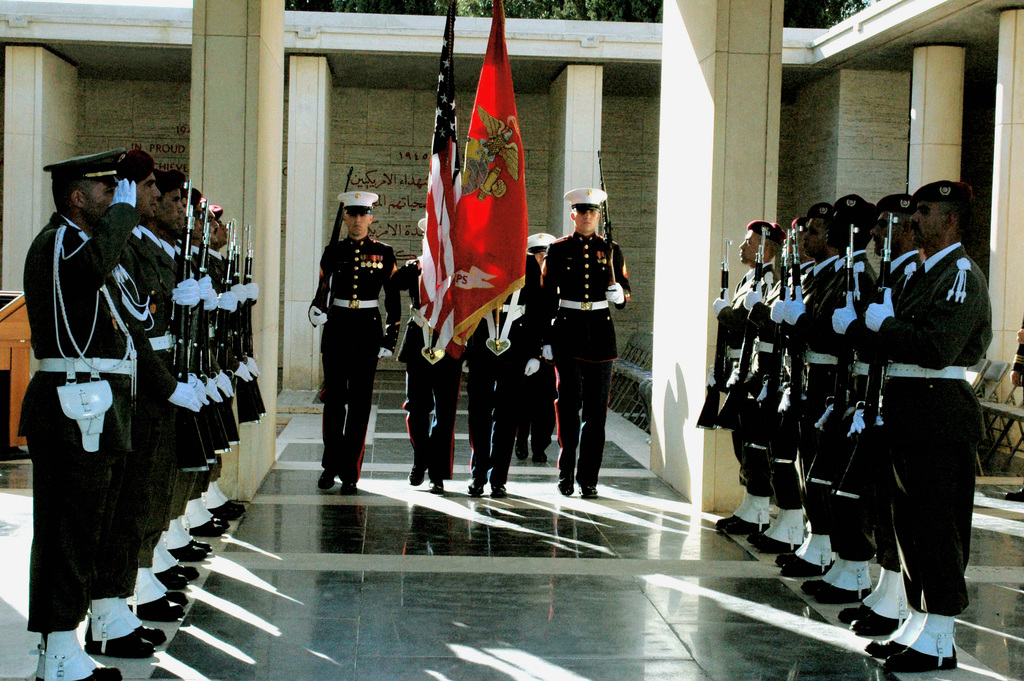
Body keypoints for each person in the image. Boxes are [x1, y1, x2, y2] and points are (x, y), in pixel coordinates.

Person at [21, 149, 202, 681]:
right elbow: (88, 276)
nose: (120, 198)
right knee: (66, 534)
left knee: (91, 527)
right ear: (77, 197)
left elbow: (129, 318)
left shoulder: (86, 244)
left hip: (96, 407)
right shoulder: (59, 243)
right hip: (71, 407)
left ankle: (73, 640)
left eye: (123, 191)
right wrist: (126, 217)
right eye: (109, 191)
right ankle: (57, 650)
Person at [849, 181, 991, 672]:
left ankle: (941, 634)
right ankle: (917, 621)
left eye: (925, 211)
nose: (914, 220)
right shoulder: (921, 274)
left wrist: (884, 327)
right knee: (907, 526)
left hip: (939, 414)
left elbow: (937, 348)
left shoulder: (961, 275)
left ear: (950, 220)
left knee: (937, 527)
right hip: (910, 412)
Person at [832, 192, 920, 635]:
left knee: (890, 504)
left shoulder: (910, 276)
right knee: (881, 500)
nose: (873, 233)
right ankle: (888, 590)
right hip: (880, 395)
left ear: (905, 228)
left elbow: (896, 343)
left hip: (899, 400)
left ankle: (896, 597)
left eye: (884, 224)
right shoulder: (896, 275)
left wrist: (859, 328)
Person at [542, 188, 631, 499]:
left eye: (593, 212)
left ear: (598, 216)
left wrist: (619, 294)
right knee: (568, 406)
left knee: (596, 414)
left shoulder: (611, 249)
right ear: (573, 215)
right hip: (567, 333)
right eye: (583, 212)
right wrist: (545, 339)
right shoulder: (557, 249)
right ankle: (566, 472)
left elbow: (625, 292)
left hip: (601, 337)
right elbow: (544, 297)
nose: (588, 217)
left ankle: (588, 477)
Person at [309, 191, 400, 494]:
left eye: (364, 215)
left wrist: (390, 337)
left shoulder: (385, 253)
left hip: (367, 331)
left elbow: (394, 299)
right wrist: (315, 309)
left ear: (371, 218)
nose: (358, 220)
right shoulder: (331, 251)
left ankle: (351, 471)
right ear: (345, 217)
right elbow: (323, 289)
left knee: (360, 404)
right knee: (334, 401)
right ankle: (329, 466)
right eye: (353, 214)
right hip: (336, 329)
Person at [712, 220, 780, 534]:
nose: (743, 247)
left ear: (766, 247)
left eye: (749, 242)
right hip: (745, 370)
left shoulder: (768, 280)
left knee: (754, 442)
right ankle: (751, 505)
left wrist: (724, 312)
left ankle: (759, 508)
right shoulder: (749, 278)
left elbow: (746, 323)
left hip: (760, 374)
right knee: (743, 440)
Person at [390, 218, 464, 495]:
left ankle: (437, 473)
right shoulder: (414, 269)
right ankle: (421, 459)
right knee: (417, 410)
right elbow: (393, 283)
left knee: (445, 413)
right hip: (419, 343)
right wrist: (417, 265)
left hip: (449, 343)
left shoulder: (460, 271)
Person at [466, 251, 544, 498]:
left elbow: (536, 307)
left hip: (516, 347)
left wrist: (535, 352)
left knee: (508, 415)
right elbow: (465, 303)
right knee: (478, 413)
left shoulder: (528, 261)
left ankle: (498, 477)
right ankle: (478, 474)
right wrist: (464, 349)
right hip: (481, 345)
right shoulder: (475, 254)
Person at [515, 233, 557, 464]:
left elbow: (556, 316)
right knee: (523, 401)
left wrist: (549, 343)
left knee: (547, 402)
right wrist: (533, 351)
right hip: (526, 350)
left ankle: (540, 445)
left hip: (551, 353)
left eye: (545, 256)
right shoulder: (524, 284)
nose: (542, 260)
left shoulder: (556, 281)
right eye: (538, 256)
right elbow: (528, 319)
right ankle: (521, 439)